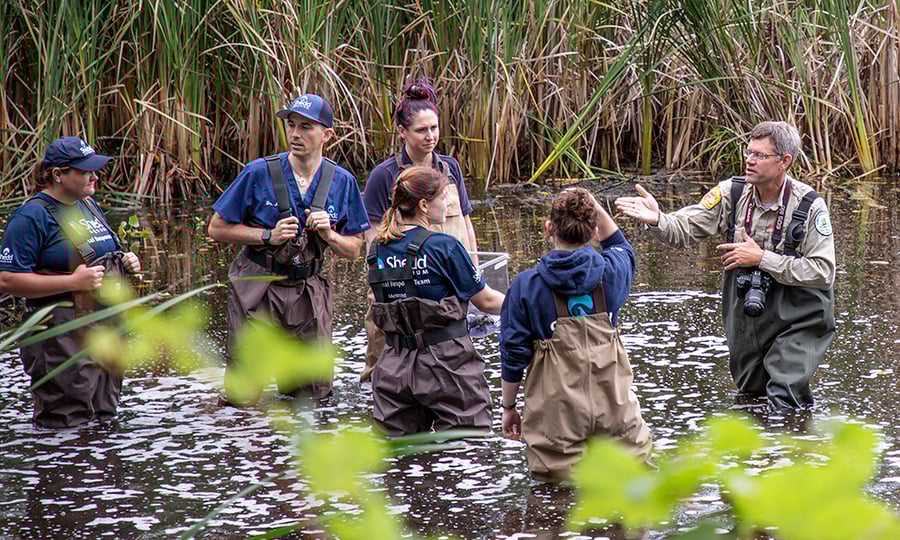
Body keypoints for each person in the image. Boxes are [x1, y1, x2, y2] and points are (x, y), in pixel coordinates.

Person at [615, 121, 835, 411]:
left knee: (784, 394)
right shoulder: (731, 193)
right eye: (748, 152)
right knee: (750, 397)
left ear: (785, 161)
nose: (749, 160)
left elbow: (823, 271)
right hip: (746, 309)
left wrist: (761, 259)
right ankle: (756, 454)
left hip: (800, 315)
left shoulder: (810, 205)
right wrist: (658, 219)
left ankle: (792, 450)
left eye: (759, 155)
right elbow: (686, 228)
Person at [208, 94, 370, 404]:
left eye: (306, 127)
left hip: (308, 289)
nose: (295, 134)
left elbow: (354, 249)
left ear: (327, 134)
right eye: (291, 126)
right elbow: (216, 228)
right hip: (256, 284)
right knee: (243, 394)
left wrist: (330, 235)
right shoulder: (258, 172)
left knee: (312, 396)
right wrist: (267, 235)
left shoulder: (343, 181)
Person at [499, 188, 652, 483]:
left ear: (548, 228)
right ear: (593, 230)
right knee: (634, 492)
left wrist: (508, 407)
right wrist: (590, 201)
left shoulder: (526, 286)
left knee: (555, 505)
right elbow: (619, 243)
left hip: (556, 416)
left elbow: (513, 354)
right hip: (616, 407)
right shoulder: (613, 272)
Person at [0, 136, 141, 428]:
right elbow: (7, 279)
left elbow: (102, 254)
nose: (95, 175)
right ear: (58, 175)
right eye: (85, 170)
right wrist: (72, 281)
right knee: (65, 421)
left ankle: (101, 471)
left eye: (94, 168)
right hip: (60, 334)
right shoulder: (31, 216)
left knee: (104, 416)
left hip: (106, 326)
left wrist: (127, 261)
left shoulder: (89, 205)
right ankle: (63, 471)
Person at [367, 166, 504, 436]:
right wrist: (527, 304)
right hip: (446, 365)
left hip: (393, 365)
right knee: (467, 445)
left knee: (398, 458)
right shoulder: (444, 246)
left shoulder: (378, 248)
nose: (449, 203)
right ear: (424, 206)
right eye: (443, 197)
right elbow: (486, 300)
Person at [360, 78, 479, 382]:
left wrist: (474, 271)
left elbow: (465, 221)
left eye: (434, 128)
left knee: (449, 368)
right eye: (421, 130)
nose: (430, 137)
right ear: (402, 132)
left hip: (447, 288)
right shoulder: (383, 176)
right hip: (397, 290)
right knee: (384, 368)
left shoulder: (449, 168)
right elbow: (372, 236)